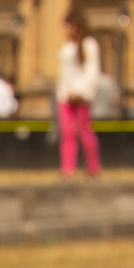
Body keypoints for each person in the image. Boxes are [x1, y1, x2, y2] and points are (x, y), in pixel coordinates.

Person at [55, 12, 103, 179]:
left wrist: (80, 90)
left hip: (80, 95)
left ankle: (93, 168)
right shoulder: (67, 46)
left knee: (84, 131)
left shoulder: (89, 44)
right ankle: (68, 170)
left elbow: (92, 71)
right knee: (67, 133)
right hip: (65, 95)